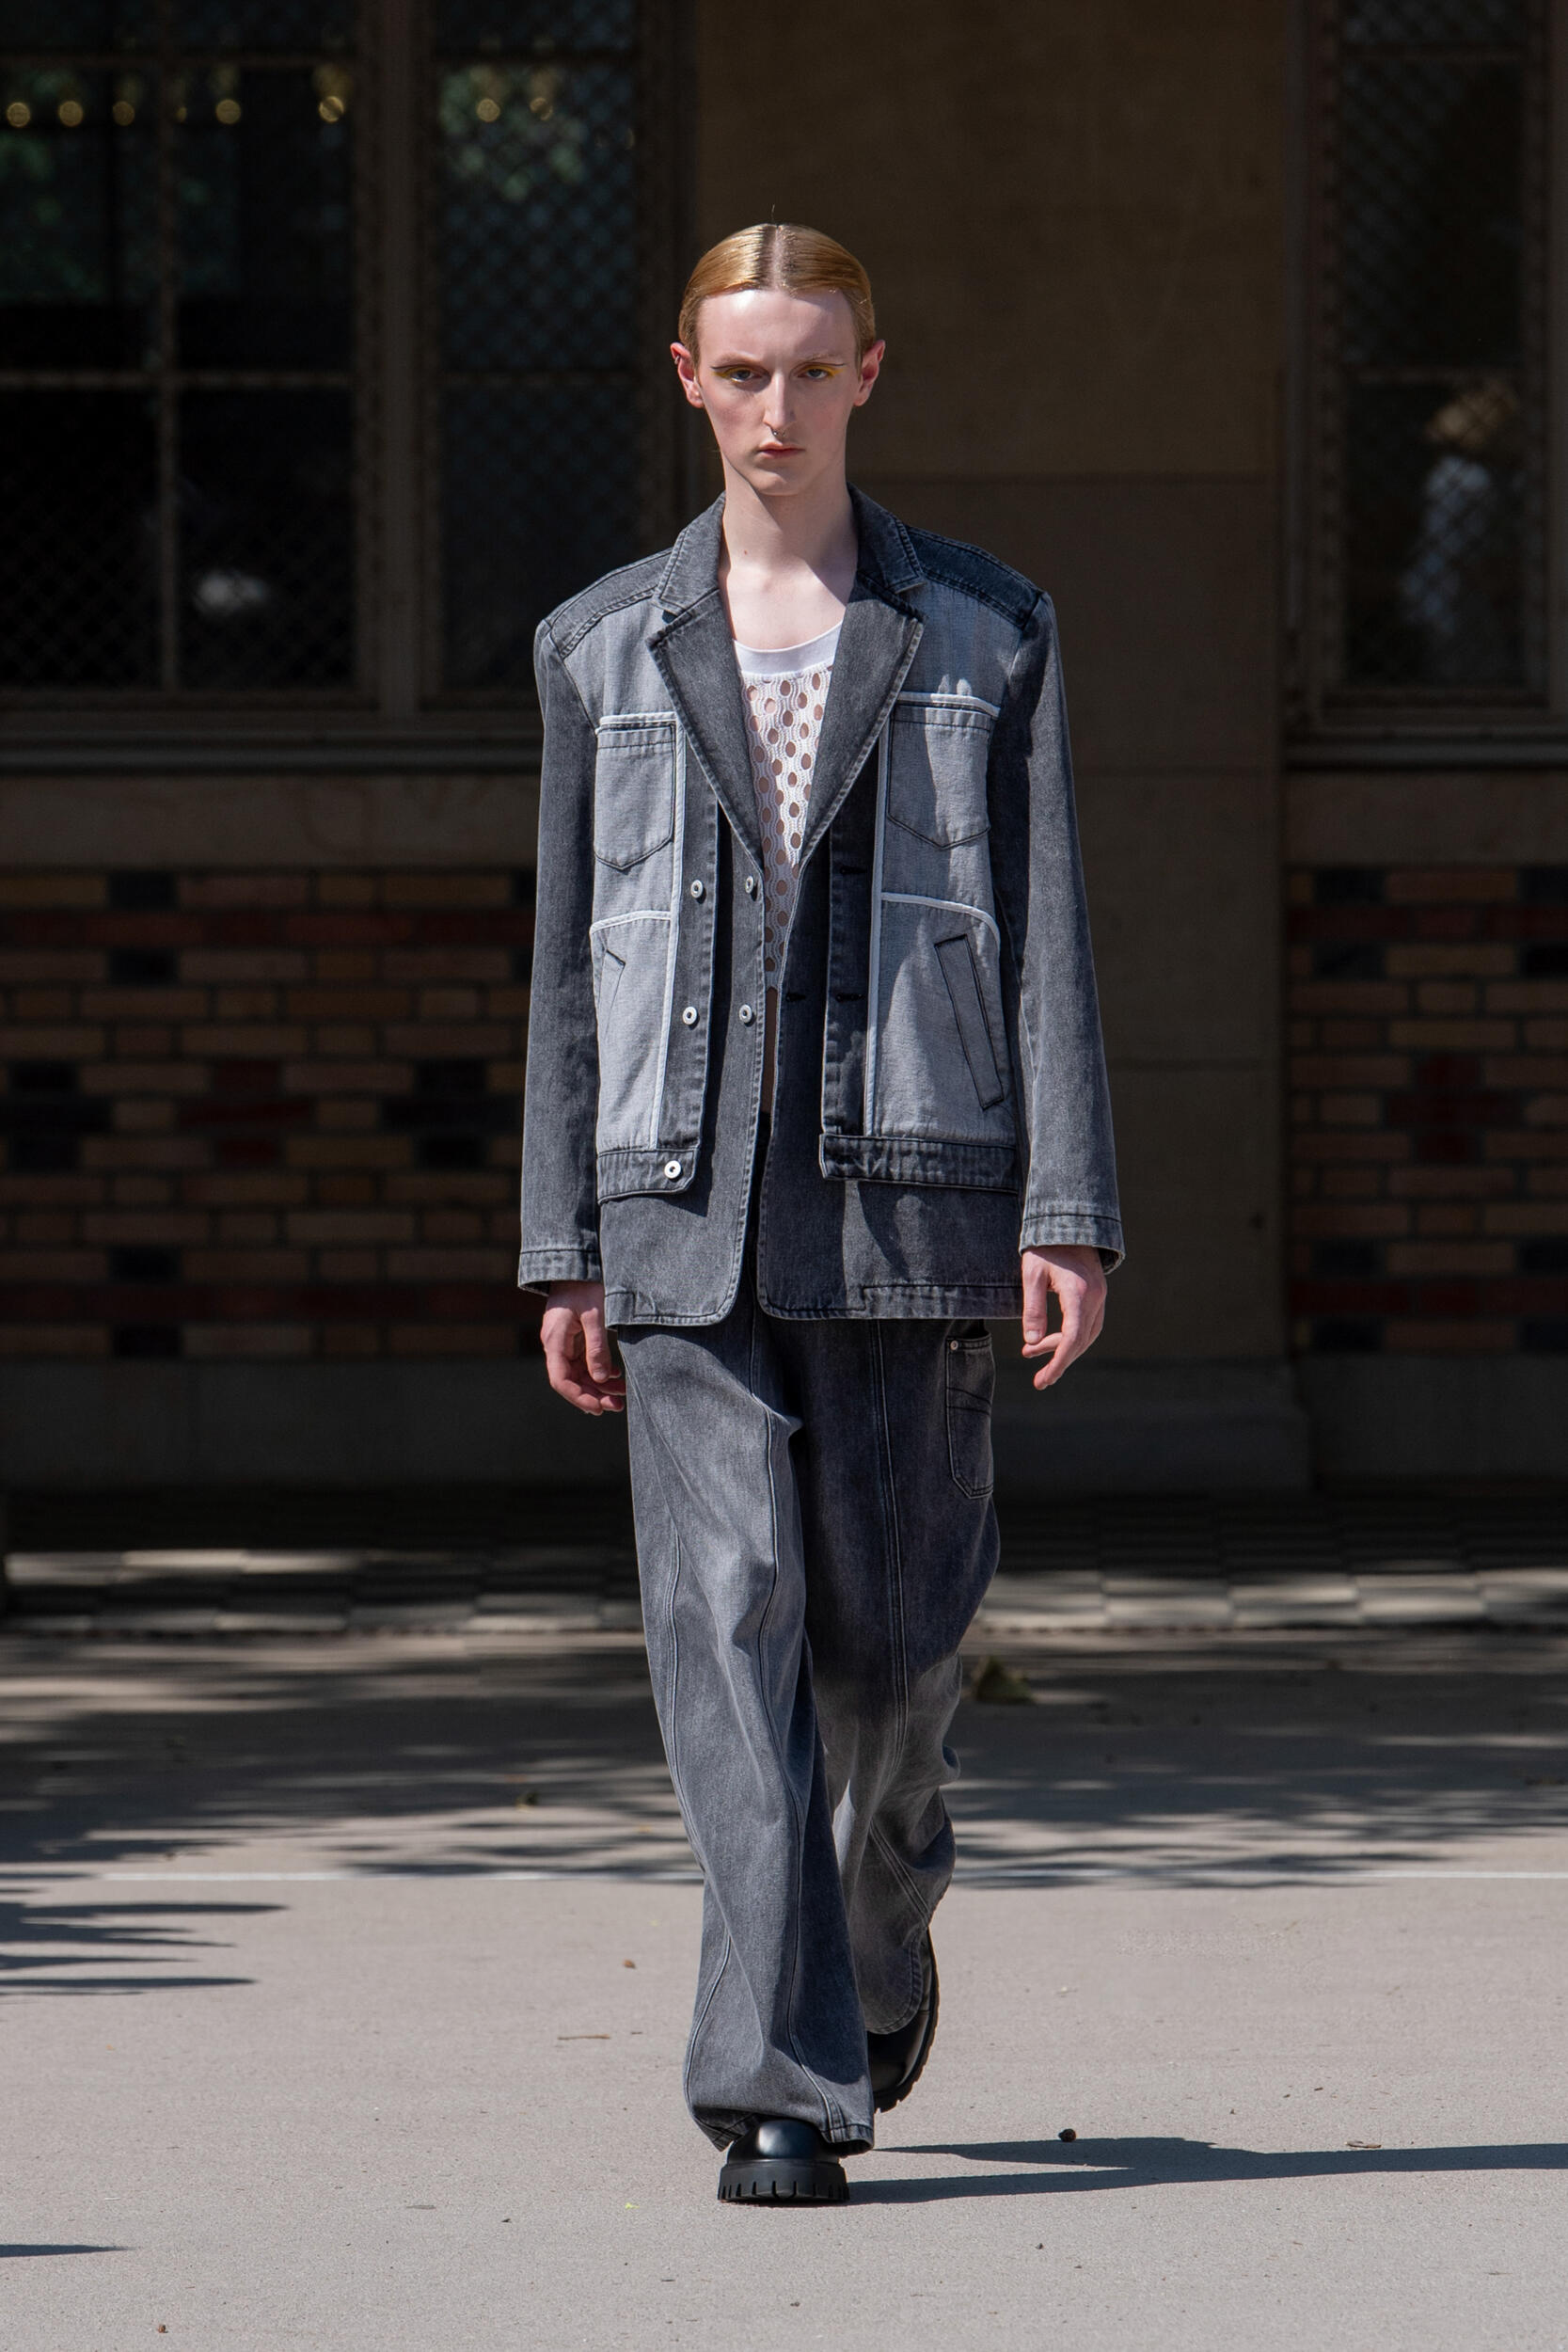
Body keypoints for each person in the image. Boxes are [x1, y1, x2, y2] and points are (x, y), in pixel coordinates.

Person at [519, 223, 1121, 2207]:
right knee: (725, 1629)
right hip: (676, 1202)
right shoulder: (600, 645)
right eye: (740, 371)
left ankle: (875, 1935)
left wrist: (1066, 1204)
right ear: (687, 380)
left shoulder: (986, 630)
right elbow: (568, 963)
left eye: (809, 369)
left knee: (892, 1665)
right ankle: (774, 2081)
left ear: (868, 375)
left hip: (913, 1205)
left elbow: (1043, 925)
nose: (773, 409)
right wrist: (561, 1236)